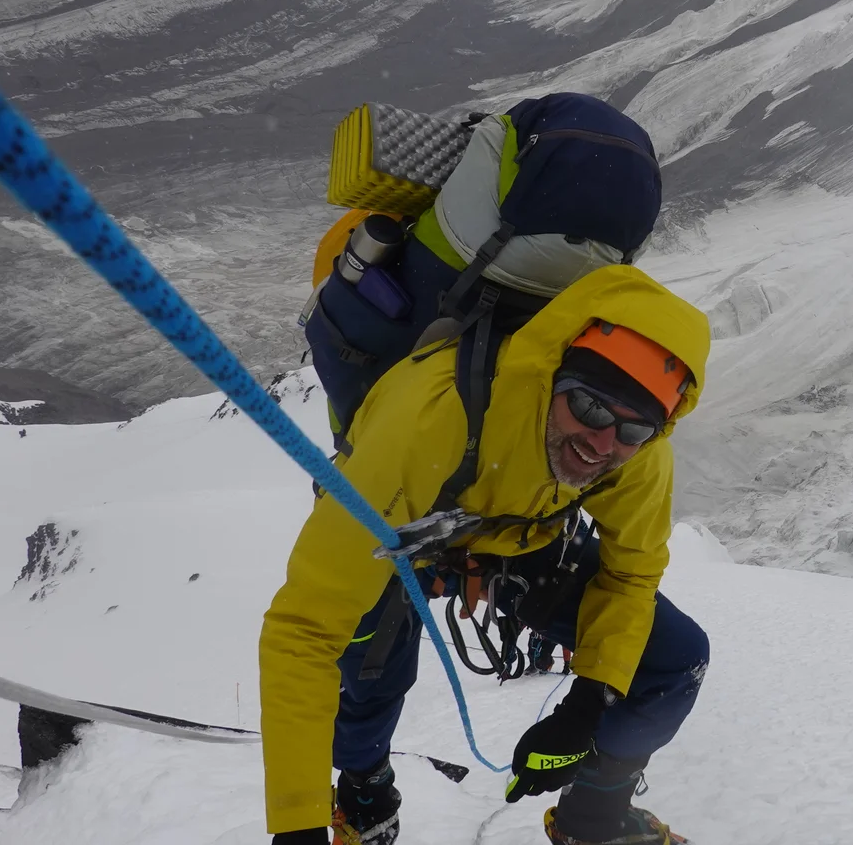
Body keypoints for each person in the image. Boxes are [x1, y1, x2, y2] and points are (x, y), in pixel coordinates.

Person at [261, 265, 711, 845]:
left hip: (524, 539)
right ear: (552, 375)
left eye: (631, 430)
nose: (602, 444)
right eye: (591, 407)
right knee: (367, 671)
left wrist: (589, 702)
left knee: (675, 660)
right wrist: (295, 830)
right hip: (409, 531)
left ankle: (593, 816)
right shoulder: (431, 416)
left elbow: (633, 574)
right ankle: (364, 787)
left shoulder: (640, 454)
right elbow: (304, 631)